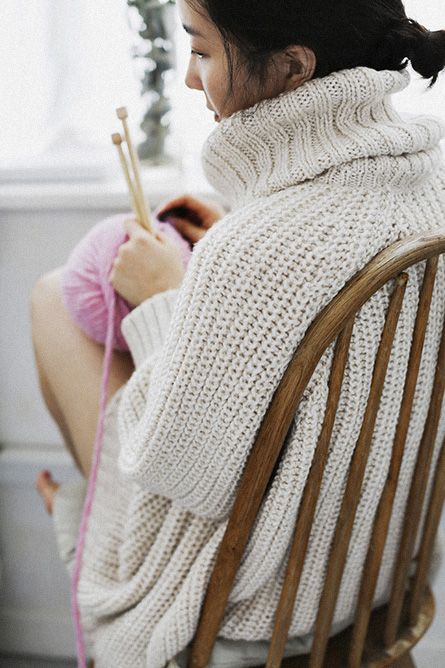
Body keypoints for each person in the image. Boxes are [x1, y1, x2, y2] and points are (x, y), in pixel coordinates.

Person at [31, 0, 445, 666]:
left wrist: (167, 297)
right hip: (375, 569)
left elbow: (182, 470)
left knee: (53, 298)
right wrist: (231, 221)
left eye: (201, 52)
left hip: (257, 602)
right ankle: (84, 512)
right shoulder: (431, 183)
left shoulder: (253, 253)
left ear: (291, 67)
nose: (192, 81)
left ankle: (89, 530)